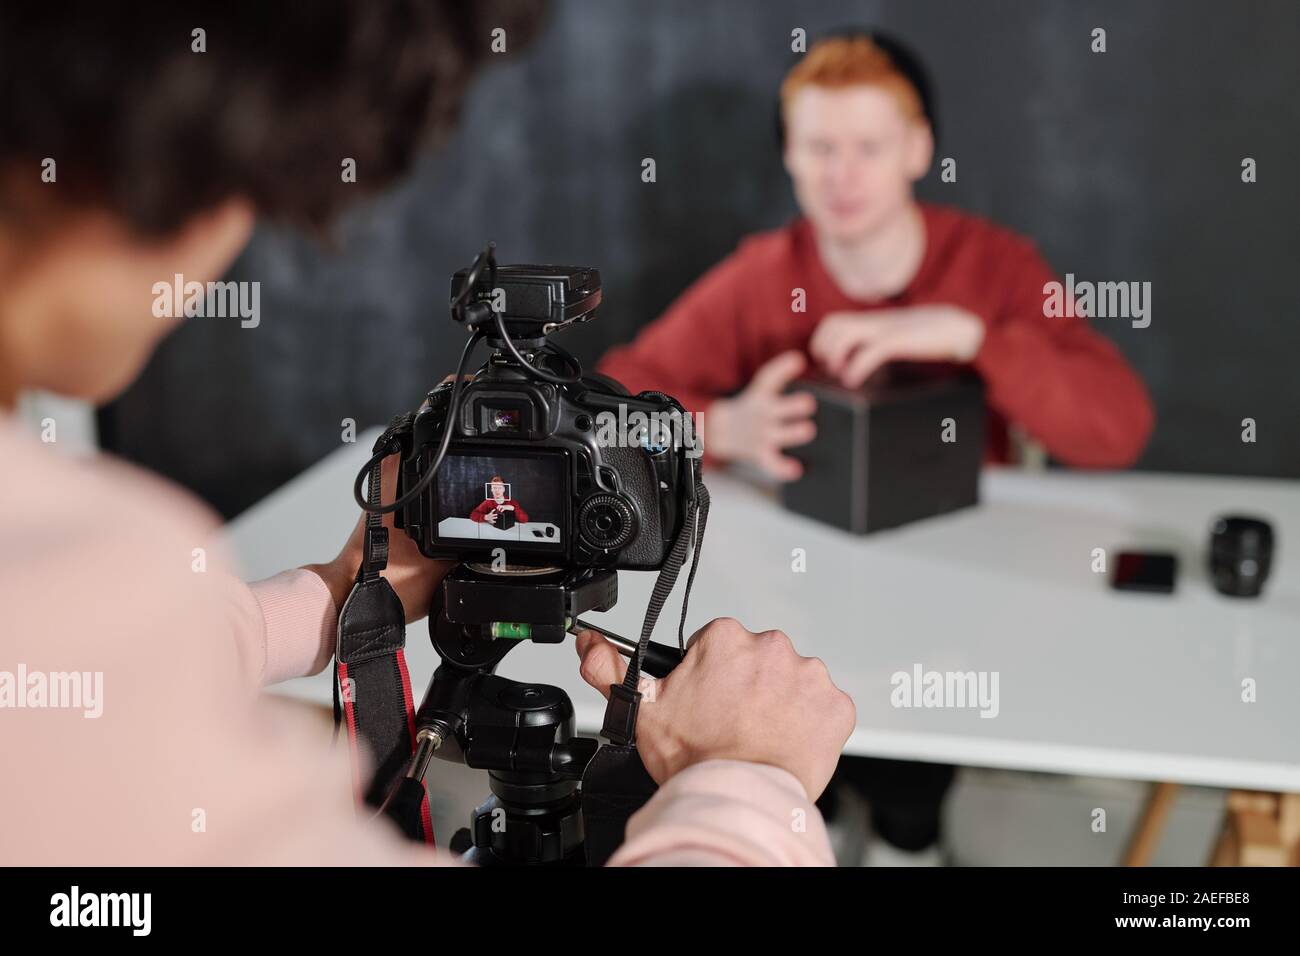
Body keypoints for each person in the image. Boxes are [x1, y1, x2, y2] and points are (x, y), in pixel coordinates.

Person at [0, 2, 854, 866]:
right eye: (243, 185)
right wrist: (749, 780)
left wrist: (346, 591)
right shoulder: (82, 570)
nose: (228, 241)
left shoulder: (60, 575)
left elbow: (116, 679)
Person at [596, 31, 1156, 865]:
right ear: (789, 156)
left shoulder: (993, 267)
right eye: (820, 147)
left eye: (868, 146)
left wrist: (973, 336)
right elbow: (615, 405)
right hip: (801, 586)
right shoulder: (763, 275)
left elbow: (1118, 429)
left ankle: (903, 830)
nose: (842, 173)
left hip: (957, 594)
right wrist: (720, 425)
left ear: (919, 148)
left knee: (911, 755)